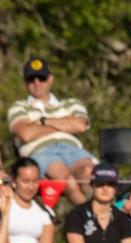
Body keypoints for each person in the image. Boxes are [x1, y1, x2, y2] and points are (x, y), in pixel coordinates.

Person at [7, 57, 94, 205]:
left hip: (73, 150)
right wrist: (65, 123)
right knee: (69, 182)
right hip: (42, 152)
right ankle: (89, 220)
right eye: (31, 79)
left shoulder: (71, 103)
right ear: (25, 83)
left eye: (42, 78)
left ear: (50, 79)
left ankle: (105, 219)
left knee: (89, 174)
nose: (37, 83)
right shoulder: (18, 107)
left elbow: (80, 126)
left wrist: (42, 122)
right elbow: (26, 134)